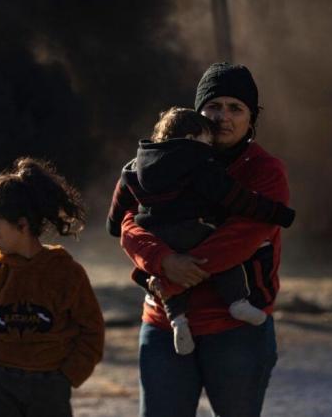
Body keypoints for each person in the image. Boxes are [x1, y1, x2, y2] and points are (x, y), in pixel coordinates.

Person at [120, 62, 289, 417]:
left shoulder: (264, 172)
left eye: (235, 108)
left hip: (236, 331)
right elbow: (129, 223)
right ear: (197, 111)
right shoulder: (161, 161)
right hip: (164, 327)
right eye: (213, 106)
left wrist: (169, 278)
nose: (222, 117)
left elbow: (238, 240)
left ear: (250, 118)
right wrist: (163, 260)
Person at [106, 107, 294, 355]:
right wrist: (279, 213)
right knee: (226, 257)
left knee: (168, 274)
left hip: (155, 234)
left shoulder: (134, 166)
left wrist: (114, 225)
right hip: (190, 230)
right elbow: (235, 198)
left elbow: (118, 214)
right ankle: (237, 301)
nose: (210, 146)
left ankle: (178, 321)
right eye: (206, 140)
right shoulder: (198, 163)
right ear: (192, 139)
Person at [0, 157, 104, 417]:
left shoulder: (65, 273)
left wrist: (66, 376)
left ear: (22, 225)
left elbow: (91, 330)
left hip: (49, 389)